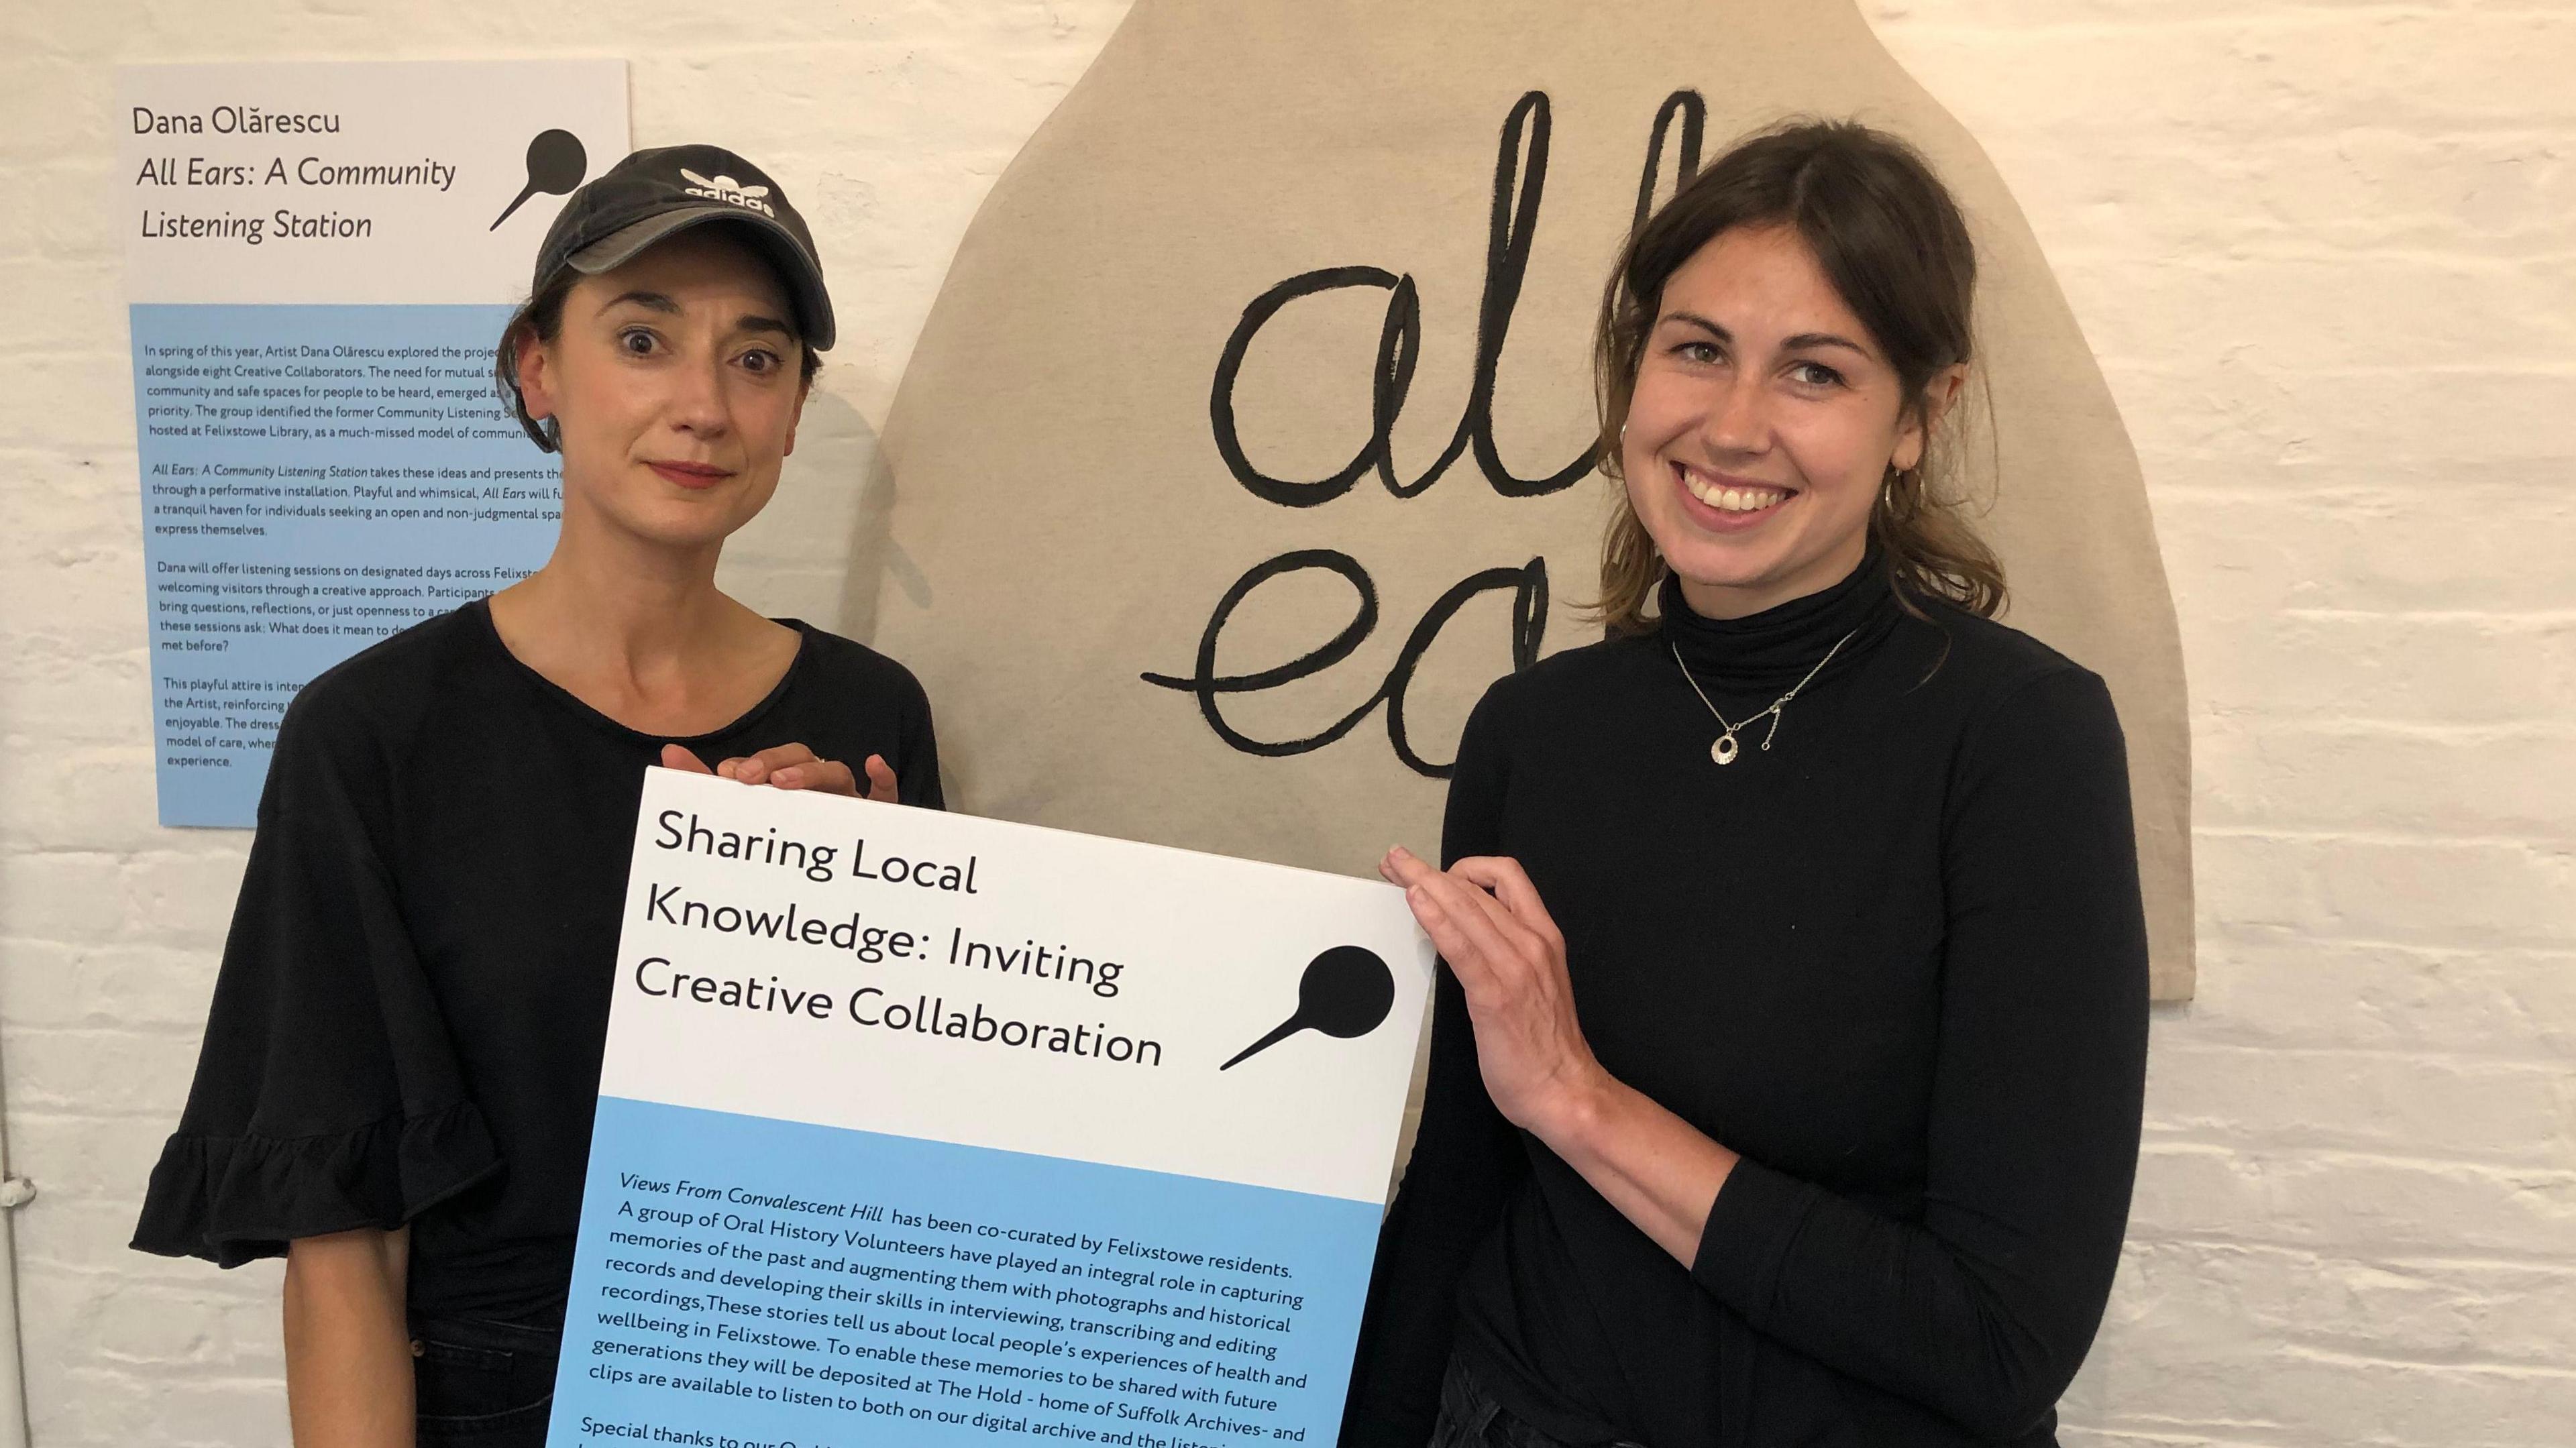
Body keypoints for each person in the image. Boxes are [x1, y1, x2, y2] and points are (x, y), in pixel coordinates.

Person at [1342, 121, 2150, 1447]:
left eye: (1814, 373)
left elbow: (2001, 1339)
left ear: (1918, 417)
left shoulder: (2021, 738)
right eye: (1697, 348)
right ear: (1636, 368)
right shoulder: (1531, 731)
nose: (1731, 425)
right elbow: (1459, 1193)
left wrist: (1584, 1104)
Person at [130, 145, 942, 1446]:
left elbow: (916, 1182)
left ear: (795, 409)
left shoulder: (871, 723)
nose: (704, 406)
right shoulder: (374, 735)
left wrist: (873, 918)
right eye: (642, 337)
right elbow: (344, 1252)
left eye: (756, 355)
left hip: (813, 1395)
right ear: (539, 369)